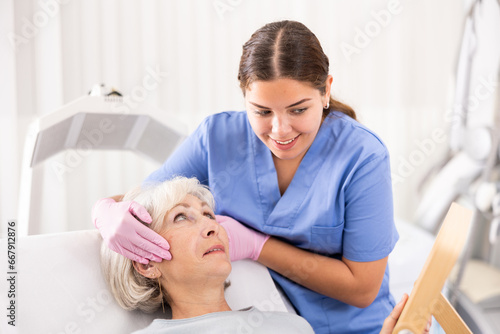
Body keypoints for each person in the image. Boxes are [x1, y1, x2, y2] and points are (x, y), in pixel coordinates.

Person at [93, 20, 399, 333]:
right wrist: (104, 210)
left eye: (297, 110)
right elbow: (149, 202)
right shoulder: (217, 139)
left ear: (325, 91)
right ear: (244, 100)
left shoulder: (362, 157)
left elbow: (362, 289)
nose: (280, 130)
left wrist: (257, 245)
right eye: (262, 112)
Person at [99, 177, 423, 334]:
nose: (212, 227)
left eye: (209, 215)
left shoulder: (292, 328)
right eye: (182, 217)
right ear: (146, 261)